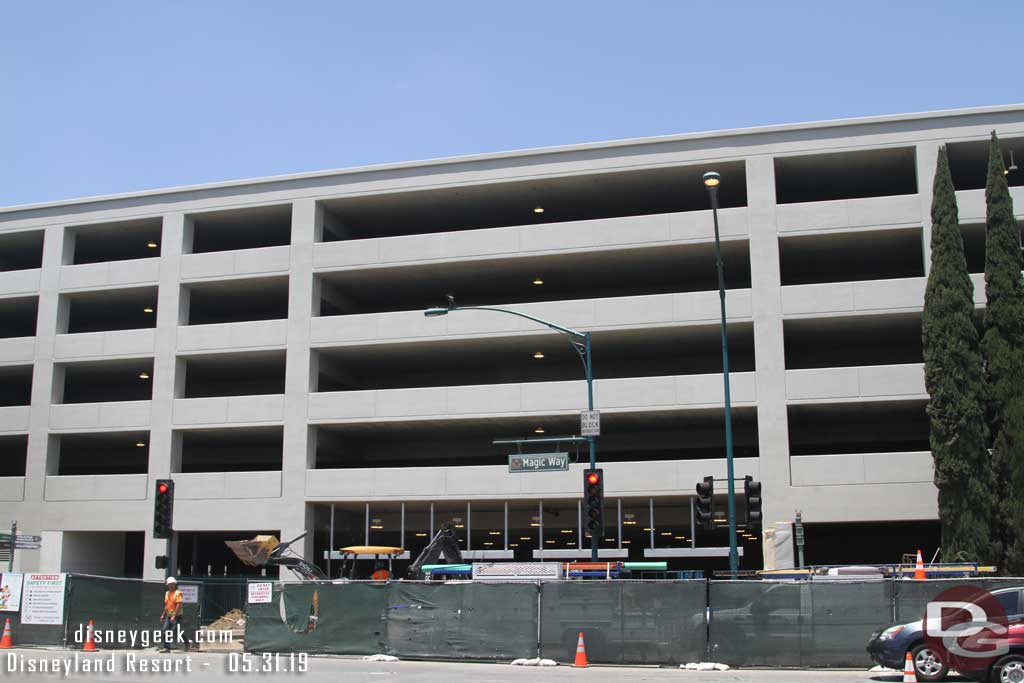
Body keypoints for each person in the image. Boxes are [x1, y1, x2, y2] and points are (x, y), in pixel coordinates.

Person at [160, 576, 183, 653]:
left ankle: (187, 642)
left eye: (172, 584)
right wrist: (163, 615)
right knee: (165, 630)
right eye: (169, 584)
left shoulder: (178, 593)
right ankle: (167, 648)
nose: (170, 585)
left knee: (174, 631)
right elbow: (167, 605)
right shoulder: (167, 593)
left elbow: (178, 605)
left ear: (174, 584)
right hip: (168, 615)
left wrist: (174, 616)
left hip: (176, 616)